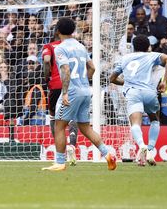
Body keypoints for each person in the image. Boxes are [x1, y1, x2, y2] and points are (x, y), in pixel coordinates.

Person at [43, 17, 117, 172]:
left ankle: (60, 162)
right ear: (73, 30)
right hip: (85, 91)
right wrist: (83, 81)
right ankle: (108, 154)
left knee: (59, 126)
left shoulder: (60, 48)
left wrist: (65, 93)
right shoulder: (81, 47)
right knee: (85, 127)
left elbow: (66, 70)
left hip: (71, 92)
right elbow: (92, 67)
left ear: (57, 31)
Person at [109, 34, 167, 166]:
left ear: (133, 47)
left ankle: (141, 145)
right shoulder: (151, 55)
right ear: (148, 47)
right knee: (155, 120)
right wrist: (165, 81)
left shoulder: (125, 58)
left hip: (132, 93)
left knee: (135, 123)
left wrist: (126, 82)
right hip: (149, 92)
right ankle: (150, 149)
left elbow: (112, 79)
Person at [41, 28, 78, 166]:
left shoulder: (49, 46)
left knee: (54, 117)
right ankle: (72, 145)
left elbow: (46, 60)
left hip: (56, 85)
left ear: (57, 33)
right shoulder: (76, 47)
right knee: (73, 116)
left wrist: (47, 77)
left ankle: (60, 151)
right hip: (72, 85)